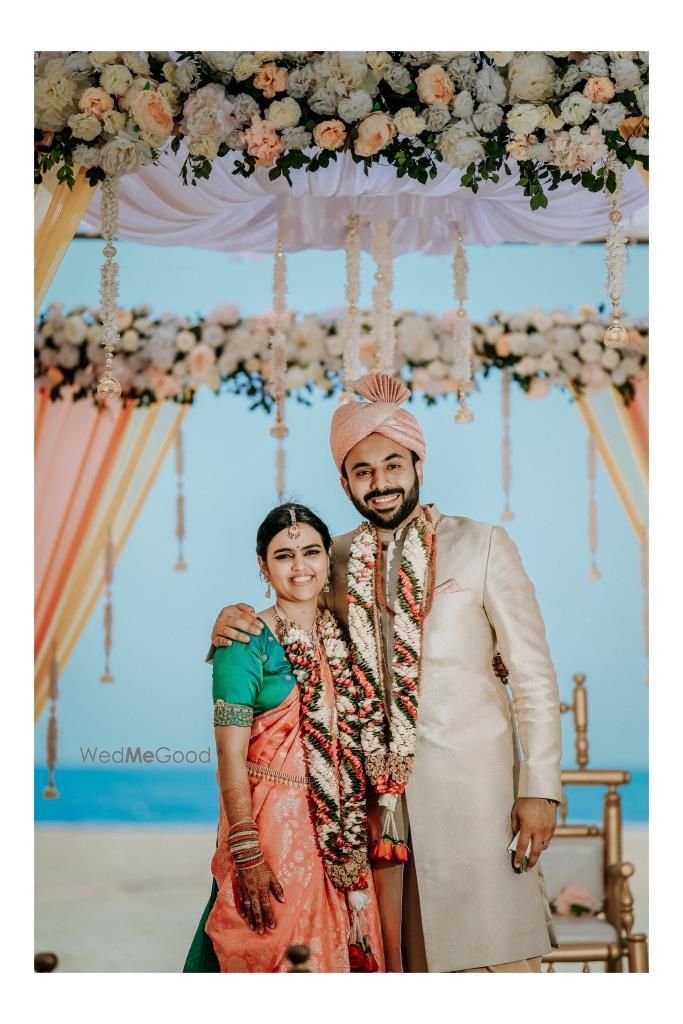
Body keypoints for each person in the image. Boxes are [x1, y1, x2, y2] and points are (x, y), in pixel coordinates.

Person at [209, 372, 563, 974]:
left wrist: (540, 788)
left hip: (475, 796)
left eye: (392, 464)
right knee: (402, 963)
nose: (380, 483)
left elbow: (532, 675)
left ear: (417, 462)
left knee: (497, 961)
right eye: (362, 471)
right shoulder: (333, 555)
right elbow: (291, 613)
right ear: (345, 481)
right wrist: (231, 618)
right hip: (372, 806)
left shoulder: (480, 545)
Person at [185, 503, 384, 973]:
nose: (300, 567)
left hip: (343, 822)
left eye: (311, 552)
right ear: (263, 566)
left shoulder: (345, 633)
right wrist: (247, 849)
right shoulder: (245, 641)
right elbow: (229, 756)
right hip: (274, 827)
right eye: (284, 556)